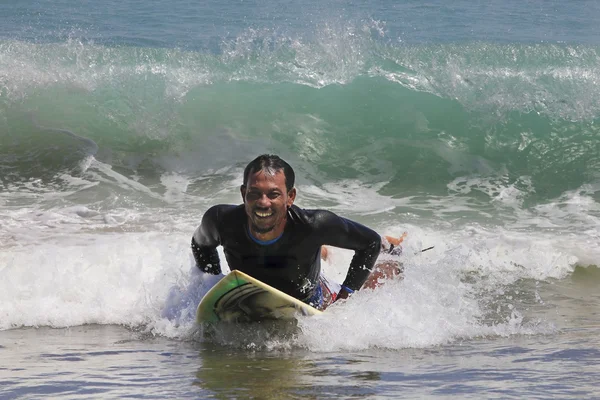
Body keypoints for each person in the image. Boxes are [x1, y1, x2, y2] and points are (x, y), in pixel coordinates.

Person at [191, 154, 398, 310]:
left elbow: (369, 242)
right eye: (254, 194)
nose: (263, 203)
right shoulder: (220, 221)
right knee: (309, 249)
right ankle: (323, 252)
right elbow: (200, 244)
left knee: (385, 274)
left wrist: (344, 298)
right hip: (261, 285)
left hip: (312, 297)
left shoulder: (313, 225)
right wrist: (213, 283)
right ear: (243, 193)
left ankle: (395, 252)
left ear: (290, 197)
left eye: (273, 194)